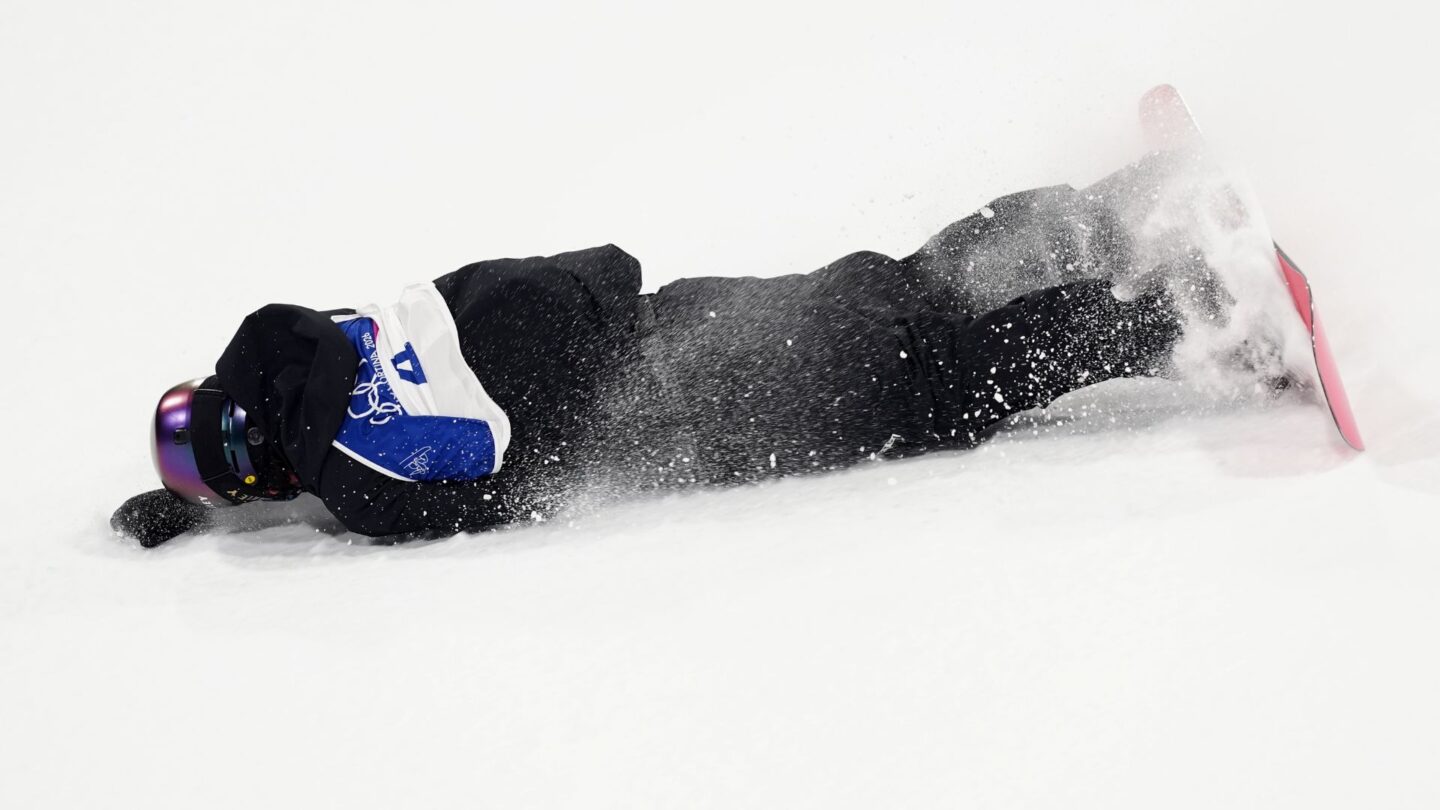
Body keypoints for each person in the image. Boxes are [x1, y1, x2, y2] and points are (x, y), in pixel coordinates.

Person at [111, 160, 1192, 548]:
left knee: (938, 385)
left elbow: (498, 496)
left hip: (693, 407)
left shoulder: (364, 486)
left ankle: (1192, 307)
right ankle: (1122, 206)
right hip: (674, 318)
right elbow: (538, 284)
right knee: (898, 291)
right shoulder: (337, 332)